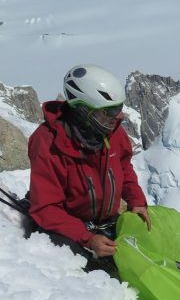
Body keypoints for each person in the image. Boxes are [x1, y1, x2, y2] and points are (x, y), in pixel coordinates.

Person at [27, 64, 150, 271]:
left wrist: (136, 200)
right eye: (108, 112)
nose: (117, 117)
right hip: (68, 227)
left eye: (118, 109)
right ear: (83, 111)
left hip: (104, 222)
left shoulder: (111, 132)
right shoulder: (47, 143)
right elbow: (46, 207)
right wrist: (87, 239)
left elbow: (123, 166)